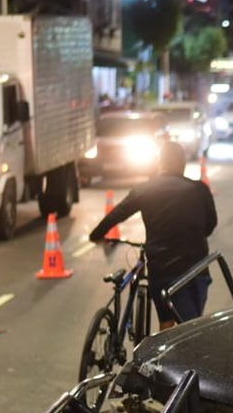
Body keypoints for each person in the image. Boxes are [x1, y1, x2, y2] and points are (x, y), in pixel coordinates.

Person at [89, 141, 217, 329]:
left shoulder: (145, 189)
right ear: (182, 164)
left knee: (166, 321)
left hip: (161, 268)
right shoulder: (199, 189)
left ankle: (162, 345)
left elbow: (117, 214)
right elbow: (211, 225)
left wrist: (96, 235)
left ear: (160, 163)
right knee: (191, 326)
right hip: (194, 269)